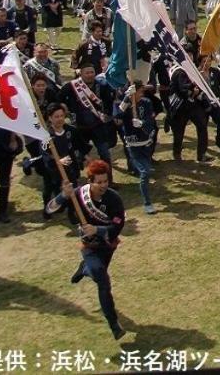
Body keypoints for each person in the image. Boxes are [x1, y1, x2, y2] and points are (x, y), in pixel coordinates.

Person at [56, 160, 127, 338]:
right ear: (90, 181)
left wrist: (98, 229)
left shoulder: (114, 199)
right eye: (99, 182)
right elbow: (49, 211)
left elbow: (118, 227)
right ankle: (114, 324)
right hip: (89, 247)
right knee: (103, 282)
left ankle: (85, 269)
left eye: (106, 181)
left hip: (107, 246)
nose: (103, 185)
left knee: (97, 273)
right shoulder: (78, 195)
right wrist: (63, 196)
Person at [115, 80, 159, 214]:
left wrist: (142, 123)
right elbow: (117, 116)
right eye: (138, 91)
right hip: (133, 145)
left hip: (145, 143)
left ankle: (145, 191)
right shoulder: (126, 104)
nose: (140, 94)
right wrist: (126, 100)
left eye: (141, 91)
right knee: (145, 173)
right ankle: (147, 203)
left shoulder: (146, 103)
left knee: (147, 170)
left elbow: (150, 120)